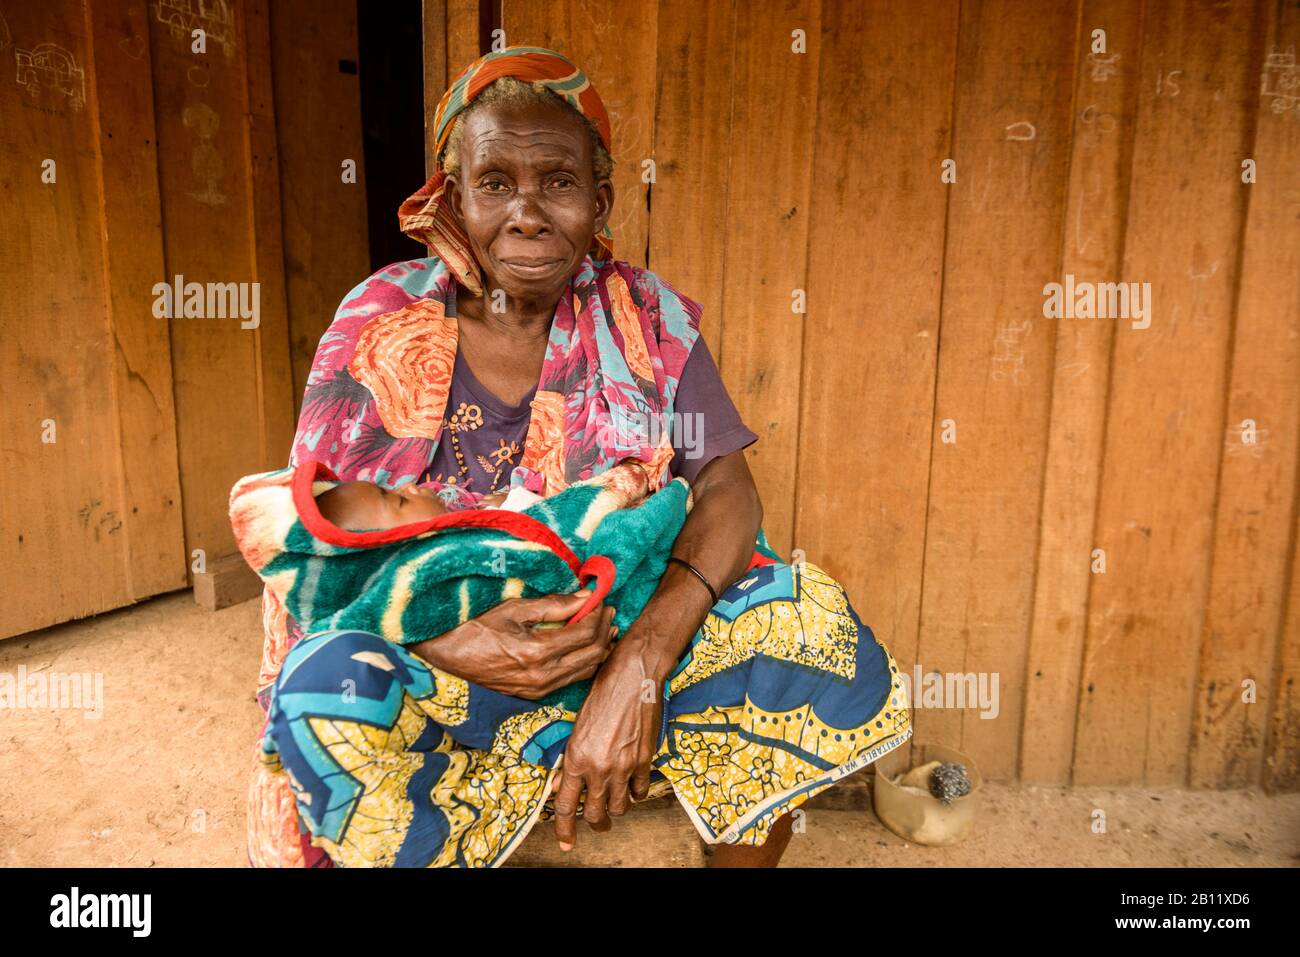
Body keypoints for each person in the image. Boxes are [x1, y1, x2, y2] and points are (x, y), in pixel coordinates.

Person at [246, 45, 912, 868]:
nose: (527, 213)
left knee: (798, 614)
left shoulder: (645, 317)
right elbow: (307, 537)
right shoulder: (381, 317)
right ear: (455, 199)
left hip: (612, 640)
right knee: (326, 680)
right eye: (495, 184)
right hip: (443, 660)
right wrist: (443, 640)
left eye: (557, 182)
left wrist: (639, 661)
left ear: (596, 201)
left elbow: (729, 492)